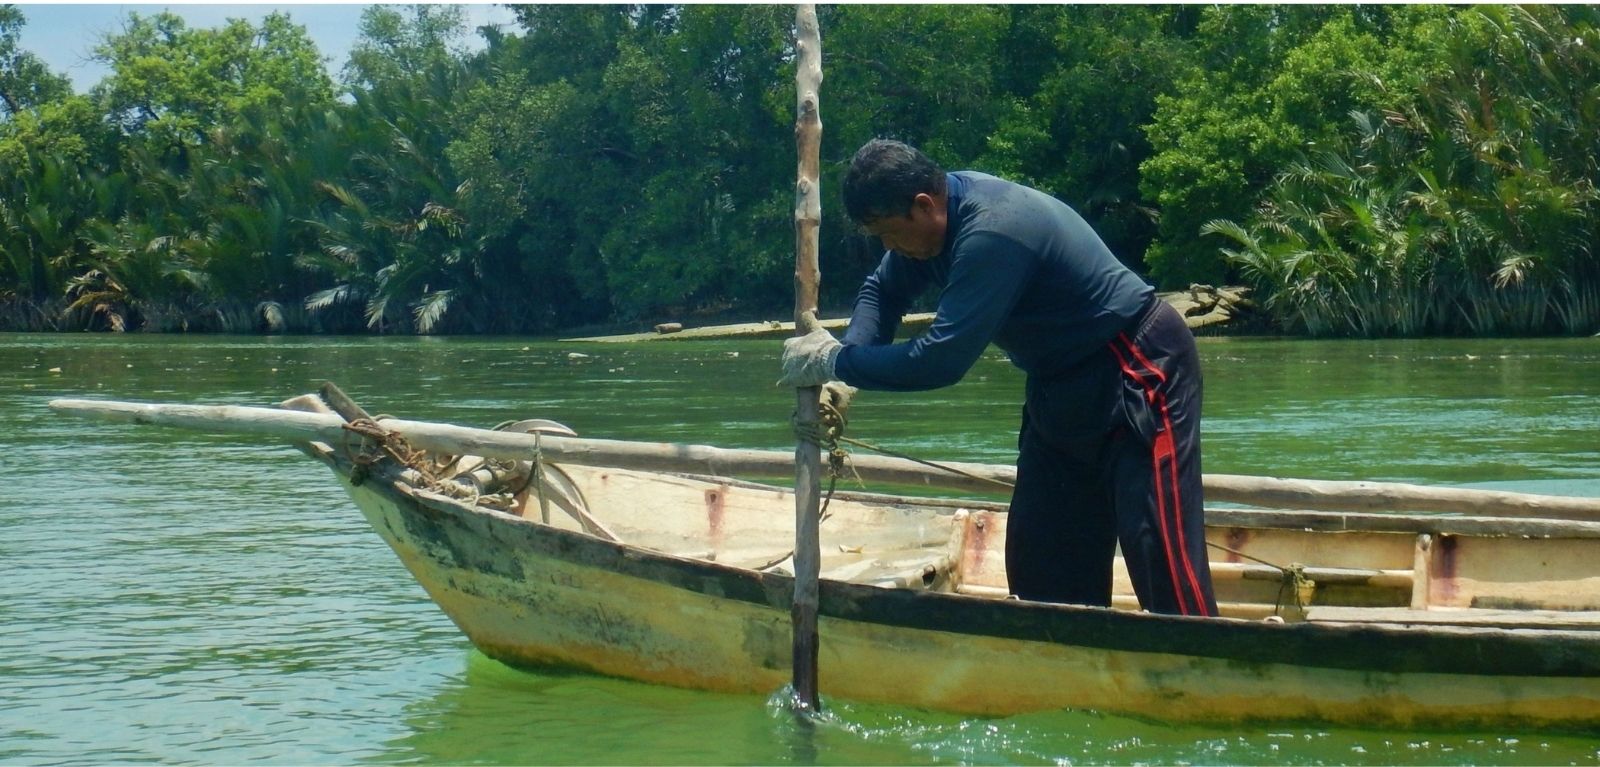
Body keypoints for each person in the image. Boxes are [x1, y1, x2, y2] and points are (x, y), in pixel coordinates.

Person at [779, 139, 1216, 616]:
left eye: (890, 234)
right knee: (1043, 564)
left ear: (923, 205)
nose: (889, 248)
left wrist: (836, 362)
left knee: (1159, 552)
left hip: (1135, 365)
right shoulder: (927, 227)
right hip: (1055, 383)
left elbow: (940, 359)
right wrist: (847, 368)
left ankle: (1206, 655)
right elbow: (882, 291)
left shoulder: (992, 231)